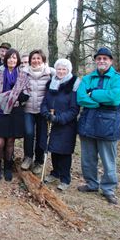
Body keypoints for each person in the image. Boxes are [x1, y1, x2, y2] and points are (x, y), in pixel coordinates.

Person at [76, 47, 120, 205]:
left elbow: (114, 98)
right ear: (96, 60)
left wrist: (93, 94)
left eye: (105, 58)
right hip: (88, 123)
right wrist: (99, 99)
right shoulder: (87, 78)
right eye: (99, 58)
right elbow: (81, 98)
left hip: (108, 125)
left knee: (108, 160)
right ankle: (91, 184)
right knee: (88, 158)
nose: (101, 61)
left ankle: (108, 189)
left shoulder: (118, 79)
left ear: (111, 61)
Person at [0, 49, 29, 181]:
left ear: (18, 61)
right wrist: (4, 98)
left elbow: (26, 93)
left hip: (15, 111)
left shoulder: (22, 75)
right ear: (6, 59)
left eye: (14, 58)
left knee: (10, 141)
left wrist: (17, 97)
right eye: (10, 58)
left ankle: (8, 167)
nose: (12, 60)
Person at [40, 59, 80, 191]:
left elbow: (74, 109)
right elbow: (45, 101)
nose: (61, 71)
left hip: (66, 125)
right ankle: (55, 173)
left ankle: (65, 178)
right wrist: (45, 112)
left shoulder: (73, 85)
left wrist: (59, 118)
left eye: (64, 69)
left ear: (68, 70)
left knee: (64, 152)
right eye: (59, 69)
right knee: (54, 149)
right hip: (51, 122)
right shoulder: (52, 83)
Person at [21, 50, 54, 174]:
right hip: (28, 109)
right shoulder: (24, 73)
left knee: (42, 136)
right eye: (33, 58)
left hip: (43, 110)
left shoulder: (50, 72)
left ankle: (39, 161)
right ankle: (28, 157)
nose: (35, 60)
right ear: (30, 60)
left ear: (43, 60)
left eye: (38, 58)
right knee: (29, 133)